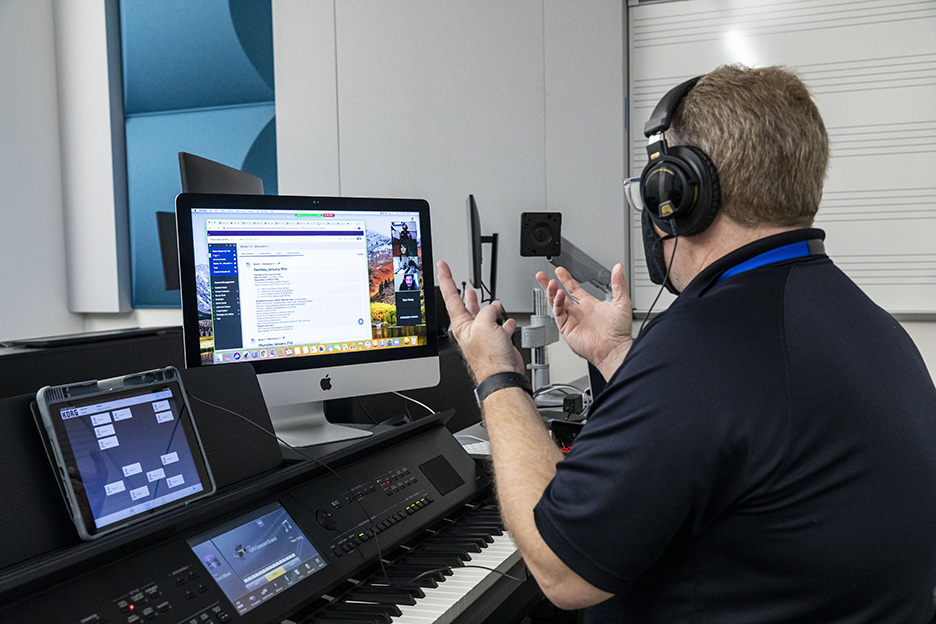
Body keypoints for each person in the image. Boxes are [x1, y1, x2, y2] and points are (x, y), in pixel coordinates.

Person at [437, 64, 936, 623]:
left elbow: (561, 569)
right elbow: (726, 436)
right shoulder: (868, 325)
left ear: (678, 190)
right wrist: (617, 356)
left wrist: (495, 375)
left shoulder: (707, 344)